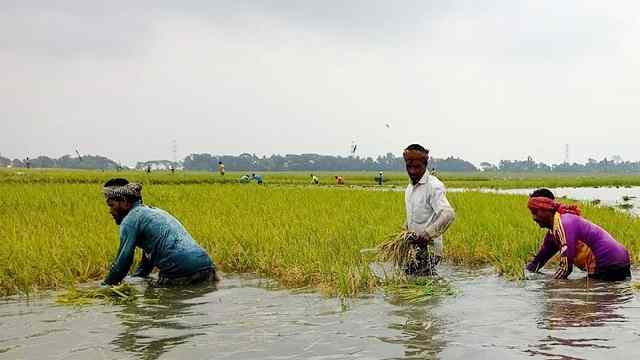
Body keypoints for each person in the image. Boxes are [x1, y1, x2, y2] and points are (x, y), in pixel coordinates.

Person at [101, 178, 218, 286]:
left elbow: (123, 261)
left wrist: (106, 286)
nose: (110, 211)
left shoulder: (130, 220)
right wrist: (137, 277)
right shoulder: (154, 212)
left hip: (180, 271)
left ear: (124, 201)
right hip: (207, 266)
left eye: (111, 205)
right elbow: (148, 255)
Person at [526, 188, 631, 281]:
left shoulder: (564, 224)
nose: (534, 218)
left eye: (535, 212)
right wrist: (523, 275)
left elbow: (566, 268)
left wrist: (552, 285)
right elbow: (538, 262)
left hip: (608, 263)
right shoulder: (553, 233)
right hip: (620, 261)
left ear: (548, 209)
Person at [403, 144, 456, 276]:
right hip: (413, 249)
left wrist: (427, 234)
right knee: (413, 284)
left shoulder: (433, 186)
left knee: (421, 284)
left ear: (425, 165)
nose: (413, 171)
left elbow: (448, 214)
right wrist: (403, 231)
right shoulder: (410, 188)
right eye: (409, 166)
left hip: (429, 250)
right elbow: (414, 215)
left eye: (417, 167)